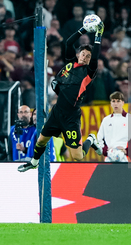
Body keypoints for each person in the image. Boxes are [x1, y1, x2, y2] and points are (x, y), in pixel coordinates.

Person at [18, 21, 105, 171]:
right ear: (79, 54)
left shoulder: (89, 72)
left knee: (77, 156)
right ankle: (33, 162)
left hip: (71, 117)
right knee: (41, 140)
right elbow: (69, 42)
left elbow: (96, 56)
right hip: (57, 111)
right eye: (83, 54)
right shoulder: (71, 63)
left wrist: (98, 36)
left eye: (88, 56)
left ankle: (90, 139)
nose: (84, 57)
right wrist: (83, 29)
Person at [96, 92, 131, 162]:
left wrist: (127, 151)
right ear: (111, 103)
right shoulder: (106, 120)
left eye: (118, 101)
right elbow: (99, 139)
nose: (116, 104)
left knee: (123, 173)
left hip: (125, 158)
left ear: (123, 103)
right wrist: (105, 151)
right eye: (113, 101)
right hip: (109, 158)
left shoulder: (130, 119)